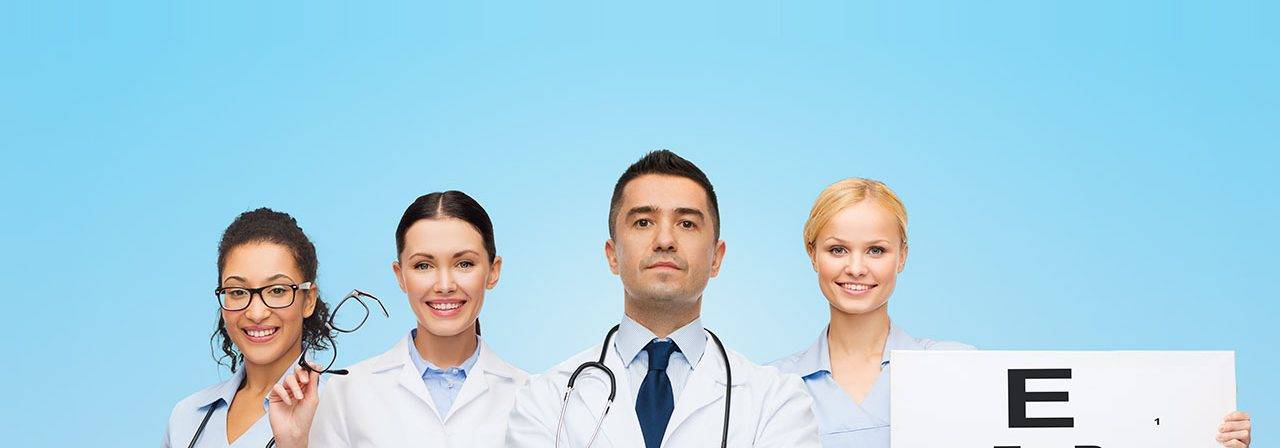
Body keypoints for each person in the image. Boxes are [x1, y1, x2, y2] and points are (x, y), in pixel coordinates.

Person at [770, 178, 1253, 448]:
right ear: (811, 254)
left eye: (876, 250)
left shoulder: (962, 369)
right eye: (837, 249)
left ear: (903, 256)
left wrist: (1204, 438)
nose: (856, 268)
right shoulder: (770, 388)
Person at [506, 150, 821, 448]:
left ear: (716, 258)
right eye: (643, 222)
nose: (665, 240)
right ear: (612, 255)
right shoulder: (545, 399)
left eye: (686, 223)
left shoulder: (777, 401)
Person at [267, 191, 528, 447]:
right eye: (423, 265)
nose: (445, 285)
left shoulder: (531, 395)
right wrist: (294, 444)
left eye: (464, 264)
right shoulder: (348, 392)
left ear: (493, 272)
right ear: (400, 275)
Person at [164, 208, 334, 447]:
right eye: (237, 292)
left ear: (308, 300)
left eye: (277, 290)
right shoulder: (187, 416)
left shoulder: (342, 409)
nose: (256, 313)